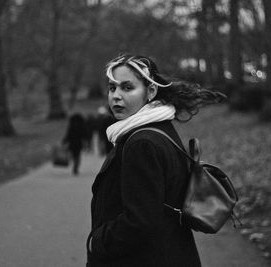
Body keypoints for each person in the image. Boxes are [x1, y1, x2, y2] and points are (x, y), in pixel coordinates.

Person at [86, 54, 225, 266]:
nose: (116, 96)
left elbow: (140, 221)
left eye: (127, 87)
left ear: (150, 91)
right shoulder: (157, 129)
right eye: (112, 88)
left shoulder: (141, 143)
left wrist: (98, 242)